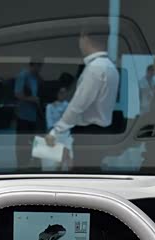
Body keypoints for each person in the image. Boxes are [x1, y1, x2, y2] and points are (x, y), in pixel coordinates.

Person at [45, 28, 120, 169]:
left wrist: (56, 132)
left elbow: (78, 105)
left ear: (85, 37)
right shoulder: (111, 67)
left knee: (83, 173)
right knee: (92, 172)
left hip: (89, 135)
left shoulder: (95, 68)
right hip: (101, 133)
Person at [14, 58, 43, 168]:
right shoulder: (23, 75)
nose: (40, 68)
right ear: (33, 65)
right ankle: (22, 164)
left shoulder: (36, 77)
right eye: (38, 66)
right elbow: (18, 94)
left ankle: (33, 162)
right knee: (22, 141)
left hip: (34, 115)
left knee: (35, 140)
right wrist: (31, 99)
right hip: (24, 115)